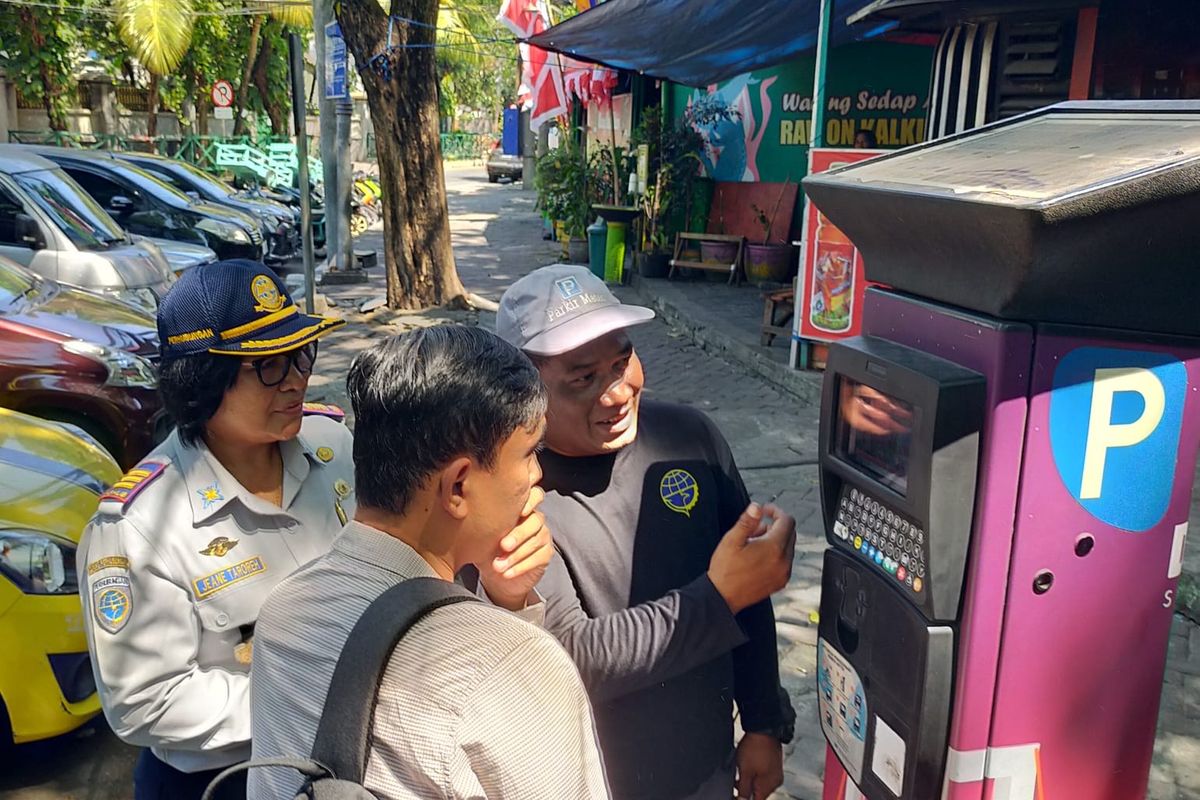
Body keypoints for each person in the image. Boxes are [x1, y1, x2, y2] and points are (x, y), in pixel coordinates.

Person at [248, 326, 610, 800]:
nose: (536, 475)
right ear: (458, 487)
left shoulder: (283, 611)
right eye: (529, 453)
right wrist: (512, 632)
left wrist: (507, 602)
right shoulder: (510, 664)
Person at [493, 265, 797, 800]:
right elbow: (570, 658)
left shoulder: (689, 436)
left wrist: (764, 722)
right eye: (582, 379)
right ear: (525, 392)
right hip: (592, 780)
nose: (616, 392)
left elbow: (750, 599)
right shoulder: (517, 490)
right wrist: (720, 596)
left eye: (622, 360)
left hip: (707, 764)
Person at [77, 260, 353, 800]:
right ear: (202, 382)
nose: (297, 378)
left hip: (345, 759)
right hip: (220, 780)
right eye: (270, 366)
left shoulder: (335, 449)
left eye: (301, 353)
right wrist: (317, 697)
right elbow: (144, 701)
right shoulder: (137, 528)